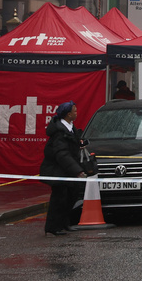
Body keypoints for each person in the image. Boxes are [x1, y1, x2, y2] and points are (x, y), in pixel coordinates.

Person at [39, 101, 88, 236]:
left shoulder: (70, 127)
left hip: (68, 170)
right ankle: (52, 227)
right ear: (68, 114)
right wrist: (76, 170)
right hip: (58, 170)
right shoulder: (59, 132)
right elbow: (61, 154)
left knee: (71, 197)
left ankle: (65, 223)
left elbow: (73, 145)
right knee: (59, 199)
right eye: (75, 111)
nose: (76, 113)